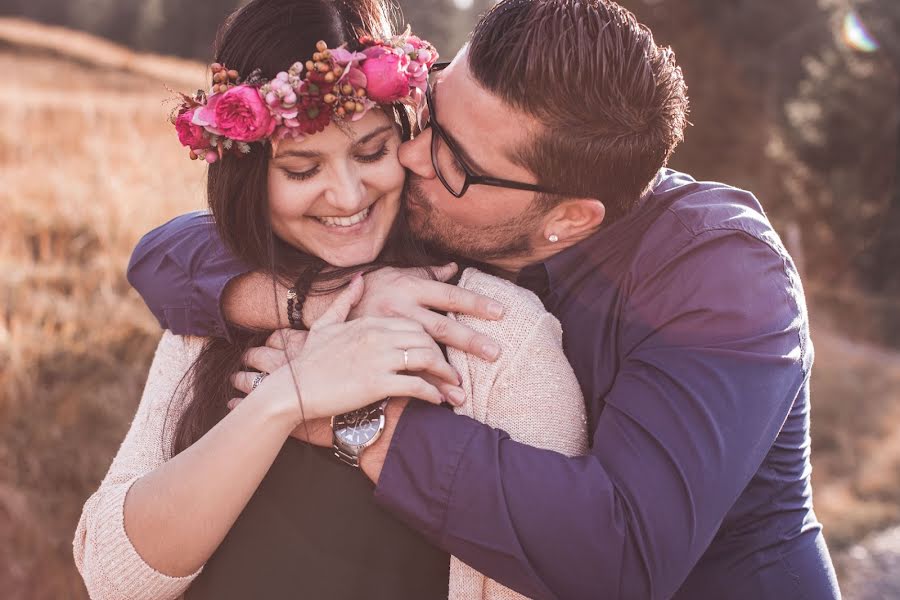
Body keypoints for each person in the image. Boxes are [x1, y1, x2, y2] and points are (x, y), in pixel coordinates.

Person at [124, 1, 843, 599]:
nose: (410, 156)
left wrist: (352, 417)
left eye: (449, 159)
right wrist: (320, 299)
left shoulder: (725, 277)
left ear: (568, 219)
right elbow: (167, 256)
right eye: (431, 110)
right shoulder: (457, 189)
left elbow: (620, 554)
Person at [71, 1, 588, 599]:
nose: (346, 195)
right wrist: (282, 402)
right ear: (248, 174)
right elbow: (112, 578)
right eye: (301, 167)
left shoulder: (499, 333)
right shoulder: (222, 308)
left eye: (371, 153)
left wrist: (346, 419)